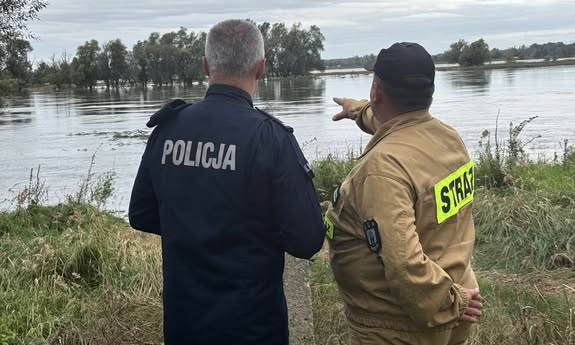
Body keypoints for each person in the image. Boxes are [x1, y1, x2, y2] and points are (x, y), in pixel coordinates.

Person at [128, 19, 325, 345]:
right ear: (261, 68)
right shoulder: (271, 138)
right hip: (253, 328)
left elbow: (142, 215)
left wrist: (193, 223)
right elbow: (306, 240)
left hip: (184, 325)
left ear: (206, 65)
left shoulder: (167, 130)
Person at [325, 42, 483, 345]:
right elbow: (396, 125)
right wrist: (356, 111)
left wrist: (452, 302)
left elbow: (403, 262)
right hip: (448, 306)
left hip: (397, 326)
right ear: (430, 93)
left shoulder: (383, 168)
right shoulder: (447, 139)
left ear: (377, 91)